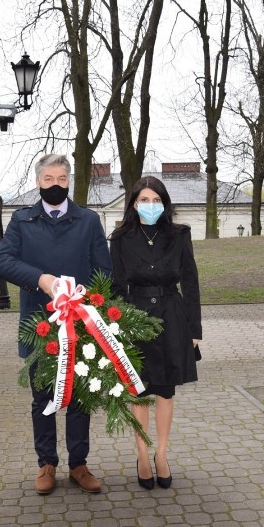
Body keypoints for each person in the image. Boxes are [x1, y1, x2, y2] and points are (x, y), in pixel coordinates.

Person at [0, 153, 112, 496]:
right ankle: (47, 464)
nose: (56, 185)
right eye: (49, 180)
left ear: (69, 181)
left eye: (62, 179)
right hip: (38, 327)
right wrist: (40, 279)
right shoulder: (22, 220)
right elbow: (3, 261)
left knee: (79, 399)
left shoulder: (88, 220)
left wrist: (88, 297)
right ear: (38, 182)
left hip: (80, 325)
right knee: (43, 398)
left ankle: (79, 464)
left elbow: (104, 271)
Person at [108, 176, 201, 490]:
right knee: (137, 390)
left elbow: (190, 281)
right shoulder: (120, 238)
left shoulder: (179, 235)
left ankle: (161, 453)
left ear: (164, 203)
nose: (150, 206)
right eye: (144, 200)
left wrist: (194, 328)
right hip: (134, 317)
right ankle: (141, 454)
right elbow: (117, 287)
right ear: (134, 203)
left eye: (156, 200)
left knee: (165, 390)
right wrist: (116, 329)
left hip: (171, 316)